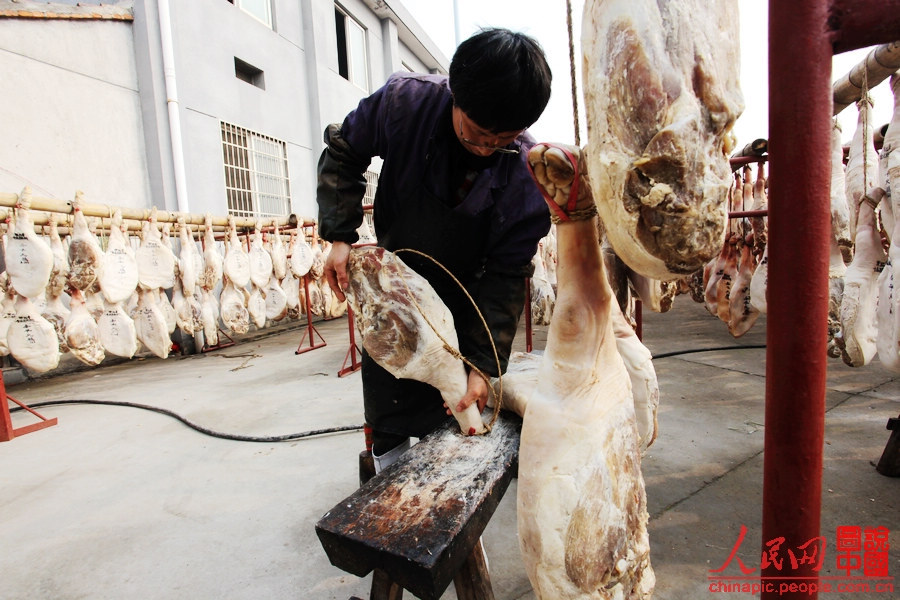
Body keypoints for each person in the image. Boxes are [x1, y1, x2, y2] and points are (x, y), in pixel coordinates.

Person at [316, 27, 553, 470]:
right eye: (478, 133)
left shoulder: (525, 170)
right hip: (394, 288)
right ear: (456, 97)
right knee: (388, 405)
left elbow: (507, 274)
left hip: (468, 297)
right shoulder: (405, 103)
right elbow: (345, 152)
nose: (486, 148)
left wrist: (483, 362)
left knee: (456, 405)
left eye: (502, 139)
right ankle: (386, 471)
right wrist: (340, 236)